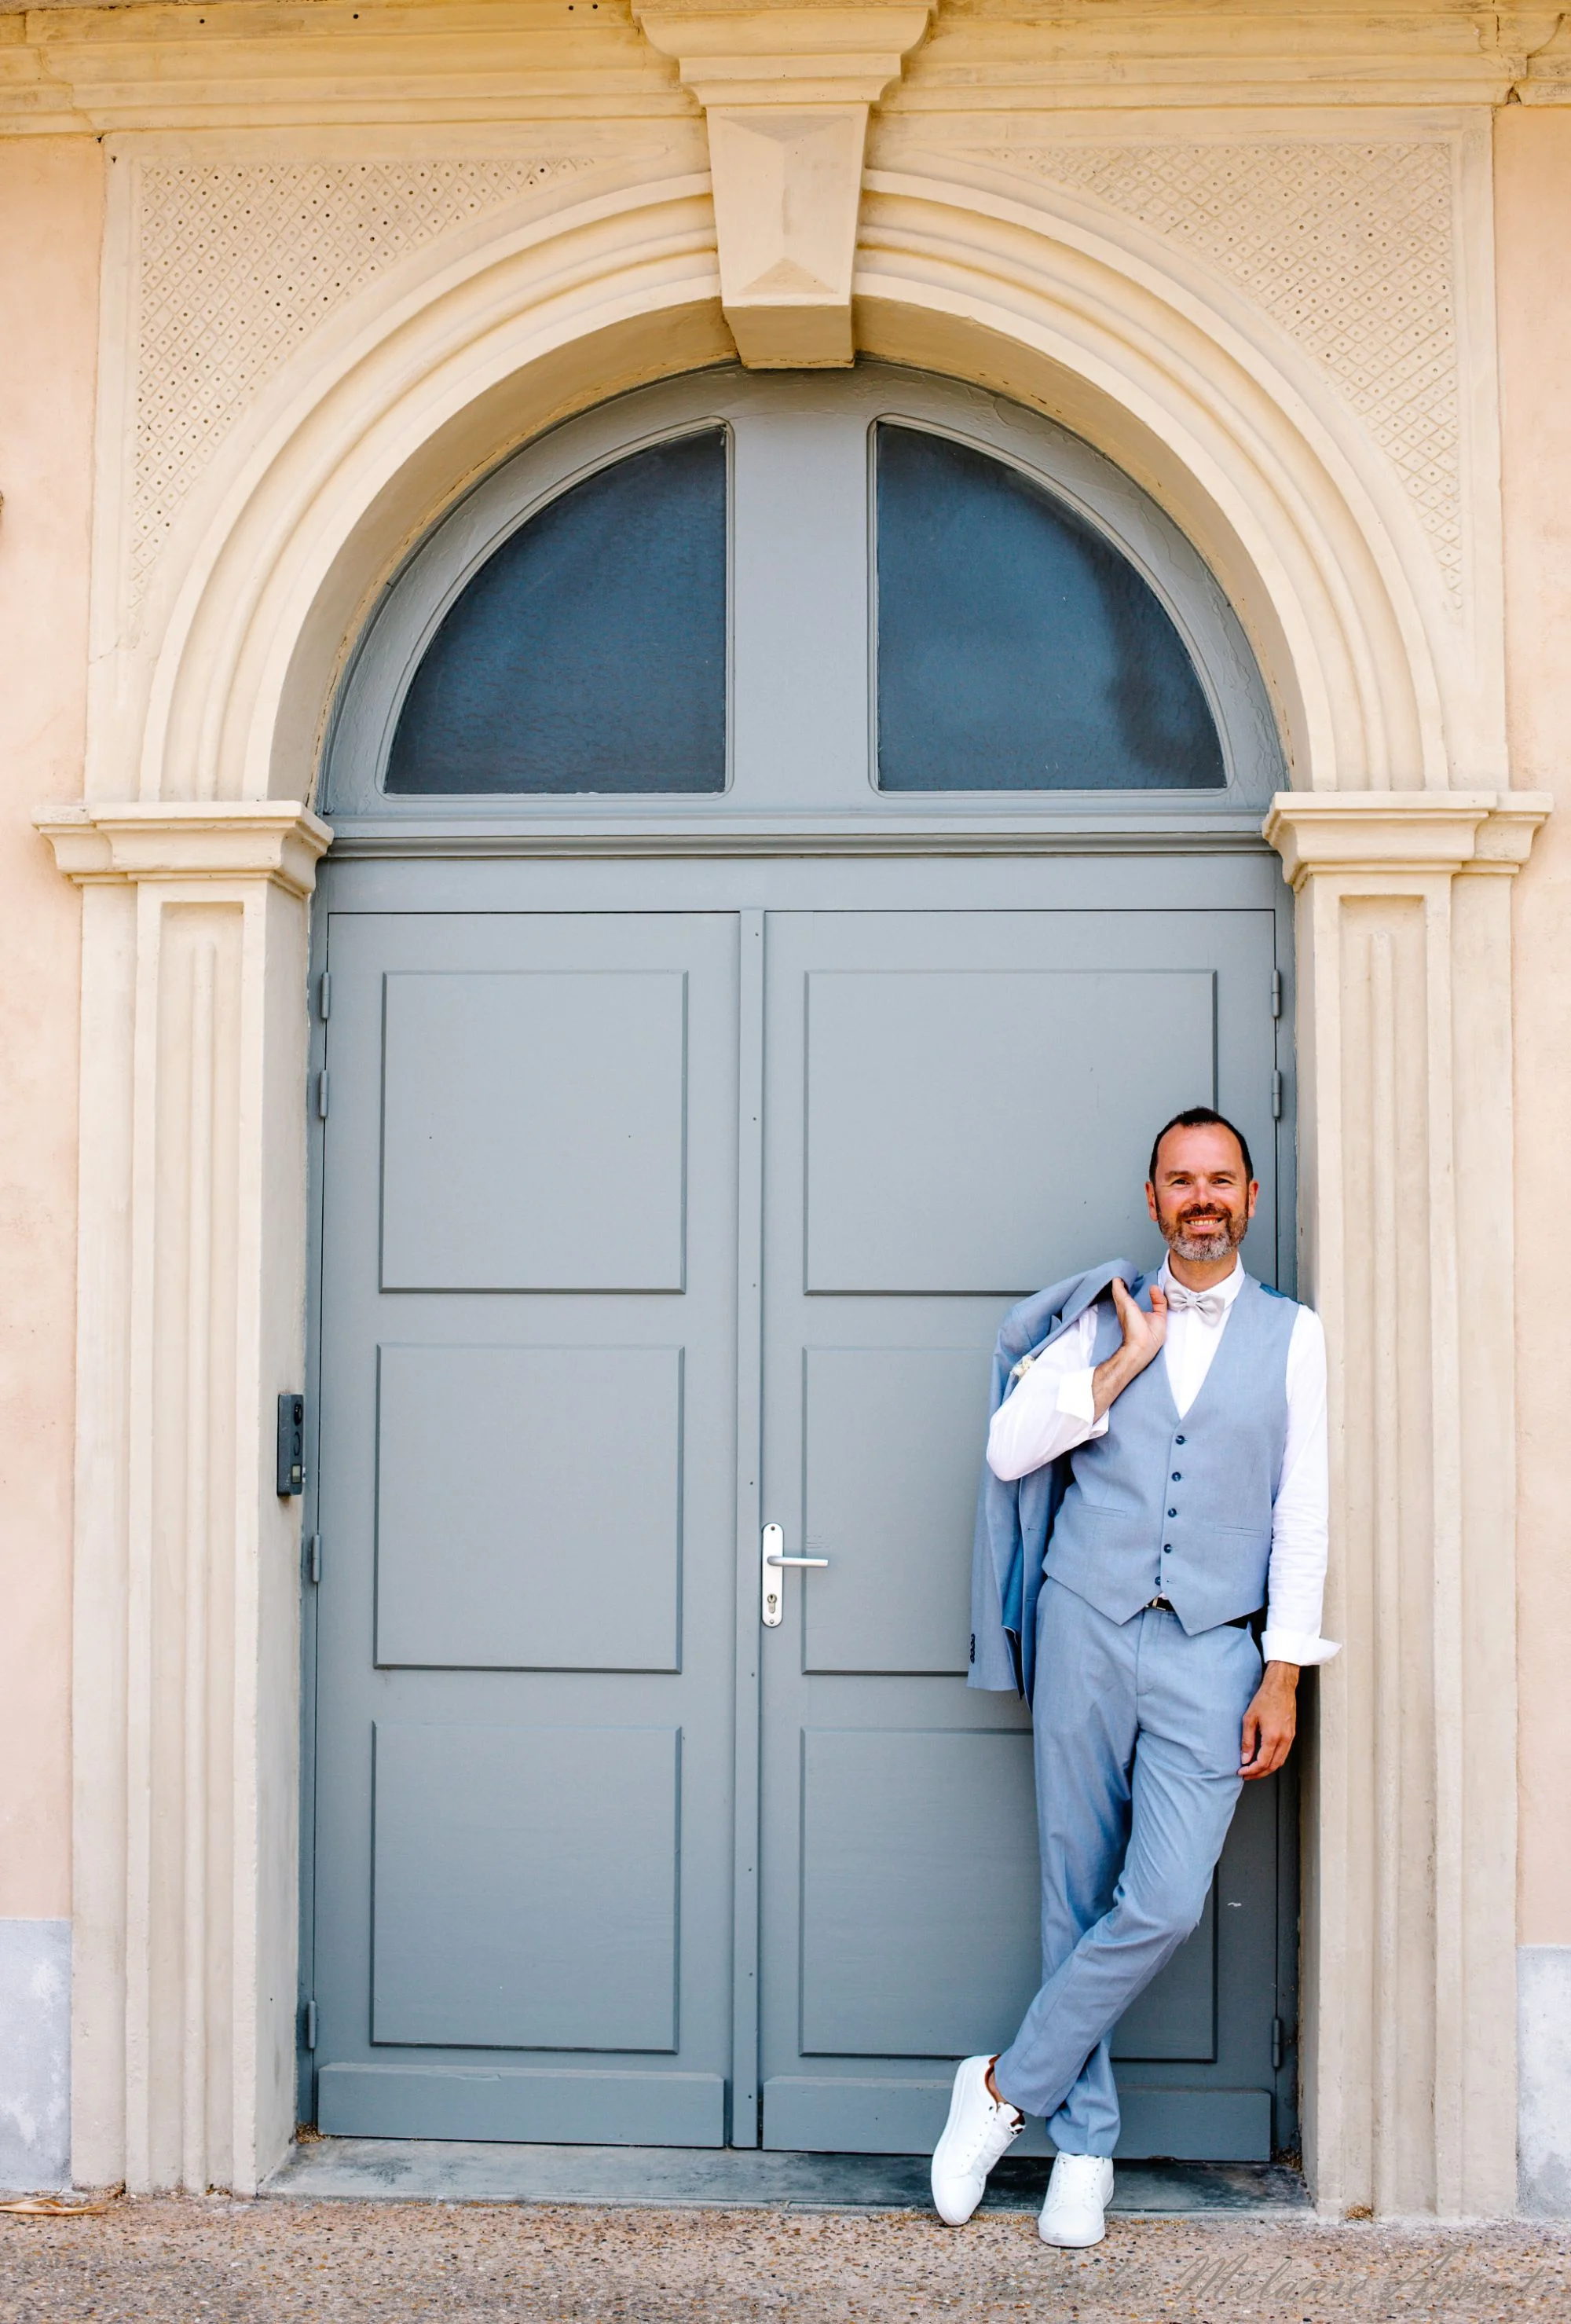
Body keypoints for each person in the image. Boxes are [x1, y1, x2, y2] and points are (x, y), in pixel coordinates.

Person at [931, 1107, 1336, 2249]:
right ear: (1153, 1200)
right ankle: (1086, 2148)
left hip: (1215, 1646)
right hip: (1087, 1622)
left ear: (1251, 1198)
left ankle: (1005, 2087)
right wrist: (1122, 1364)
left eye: (1220, 1180)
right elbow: (1012, 1447)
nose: (1200, 1198)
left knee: (1158, 1898)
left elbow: (1302, 1514)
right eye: (1180, 1180)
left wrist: (1285, 1671)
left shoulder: (1296, 1337)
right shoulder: (1107, 1315)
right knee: (1073, 1879)